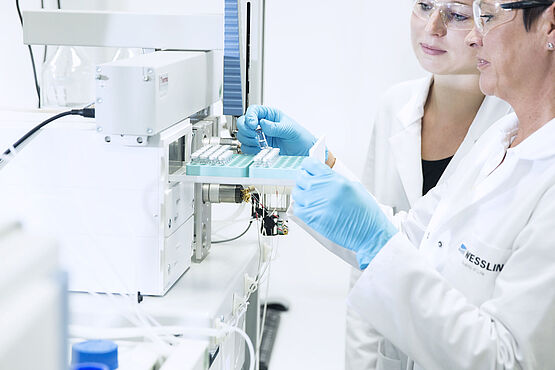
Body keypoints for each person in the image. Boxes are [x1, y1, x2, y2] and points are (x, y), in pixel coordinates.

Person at [238, 0, 555, 367]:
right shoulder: (501, 139)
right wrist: (304, 165)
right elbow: (412, 238)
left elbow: (509, 360)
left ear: (549, 25)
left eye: (487, 16)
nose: (474, 35)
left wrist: (375, 242)